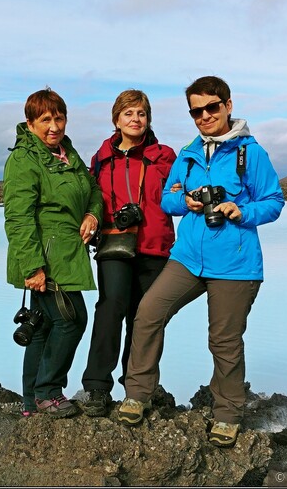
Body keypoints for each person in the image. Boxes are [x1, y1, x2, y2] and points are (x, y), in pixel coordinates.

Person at [116, 76, 285, 448]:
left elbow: (274, 201)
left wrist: (241, 210)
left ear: (227, 105)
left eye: (211, 107)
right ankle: (136, 394)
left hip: (235, 263)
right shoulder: (189, 153)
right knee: (149, 313)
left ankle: (227, 414)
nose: (204, 116)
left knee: (223, 340)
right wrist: (187, 203)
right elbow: (167, 198)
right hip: (188, 258)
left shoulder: (250, 153)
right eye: (196, 111)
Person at [3, 88, 103, 419]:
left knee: (44, 326)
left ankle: (31, 402)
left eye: (59, 118)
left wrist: (92, 215)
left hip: (67, 256)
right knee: (72, 320)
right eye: (45, 119)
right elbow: (18, 219)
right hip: (46, 259)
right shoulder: (23, 159)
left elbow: (94, 192)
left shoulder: (67, 154)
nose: (54, 126)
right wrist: (32, 267)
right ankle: (48, 392)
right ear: (30, 123)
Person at [80, 90, 177, 417]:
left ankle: (140, 385)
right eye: (129, 113)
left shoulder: (164, 156)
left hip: (154, 244)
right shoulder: (101, 158)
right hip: (114, 242)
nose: (136, 119)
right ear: (116, 119)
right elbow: (90, 199)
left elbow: (177, 197)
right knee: (111, 307)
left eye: (141, 114)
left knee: (147, 316)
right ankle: (96, 386)